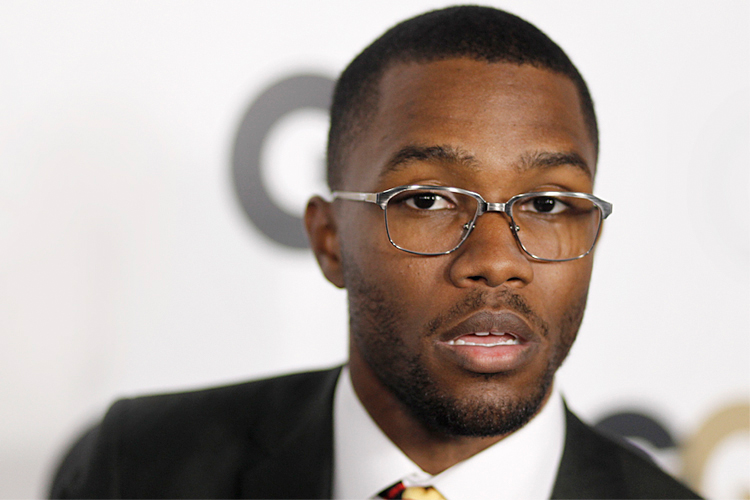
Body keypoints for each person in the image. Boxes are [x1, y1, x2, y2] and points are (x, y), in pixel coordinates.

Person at [50, 6, 700, 499]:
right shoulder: (137, 468)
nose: (498, 260)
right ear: (329, 239)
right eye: (427, 200)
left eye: (549, 205)